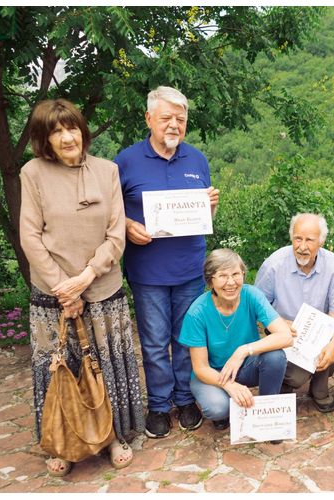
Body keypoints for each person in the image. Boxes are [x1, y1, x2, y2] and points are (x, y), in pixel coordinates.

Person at [20, 99, 144, 476]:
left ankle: (111, 436)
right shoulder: (33, 173)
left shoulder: (107, 171)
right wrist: (64, 289)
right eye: (56, 131)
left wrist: (87, 277)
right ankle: (61, 440)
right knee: (60, 367)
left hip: (102, 288)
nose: (67, 136)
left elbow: (115, 234)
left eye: (71, 127)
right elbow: (30, 235)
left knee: (105, 365)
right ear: (45, 138)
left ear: (82, 130)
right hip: (53, 295)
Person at [115, 86, 220, 438]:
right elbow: (111, 214)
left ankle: (185, 398)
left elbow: (204, 215)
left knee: (187, 339)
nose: (174, 125)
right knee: (155, 342)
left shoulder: (197, 159)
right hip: (148, 272)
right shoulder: (126, 161)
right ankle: (159, 405)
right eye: (166, 118)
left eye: (181, 119)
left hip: (190, 268)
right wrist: (128, 226)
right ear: (149, 119)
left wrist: (210, 210)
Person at [178, 249, 293, 431]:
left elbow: (285, 336)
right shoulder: (197, 312)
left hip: (244, 365)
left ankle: (266, 413)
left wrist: (243, 351)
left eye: (236, 274)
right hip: (212, 374)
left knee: (275, 356)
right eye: (222, 276)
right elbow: (200, 368)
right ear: (210, 280)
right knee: (218, 408)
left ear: (243, 275)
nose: (231, 282)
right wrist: (229, 385)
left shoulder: (251, 295)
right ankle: (228, 404)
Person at [254, 213, 334, 413]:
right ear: (291, 238)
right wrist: (277, 321)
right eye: (298, 238)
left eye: (309, 240)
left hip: (320, 331)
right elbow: (257, 305)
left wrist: (333, 342)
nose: (302, 246)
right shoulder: (273, 265)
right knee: (296, 377)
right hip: (285, 330)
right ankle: (286, 381)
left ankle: (320, 390)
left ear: (321, 242)